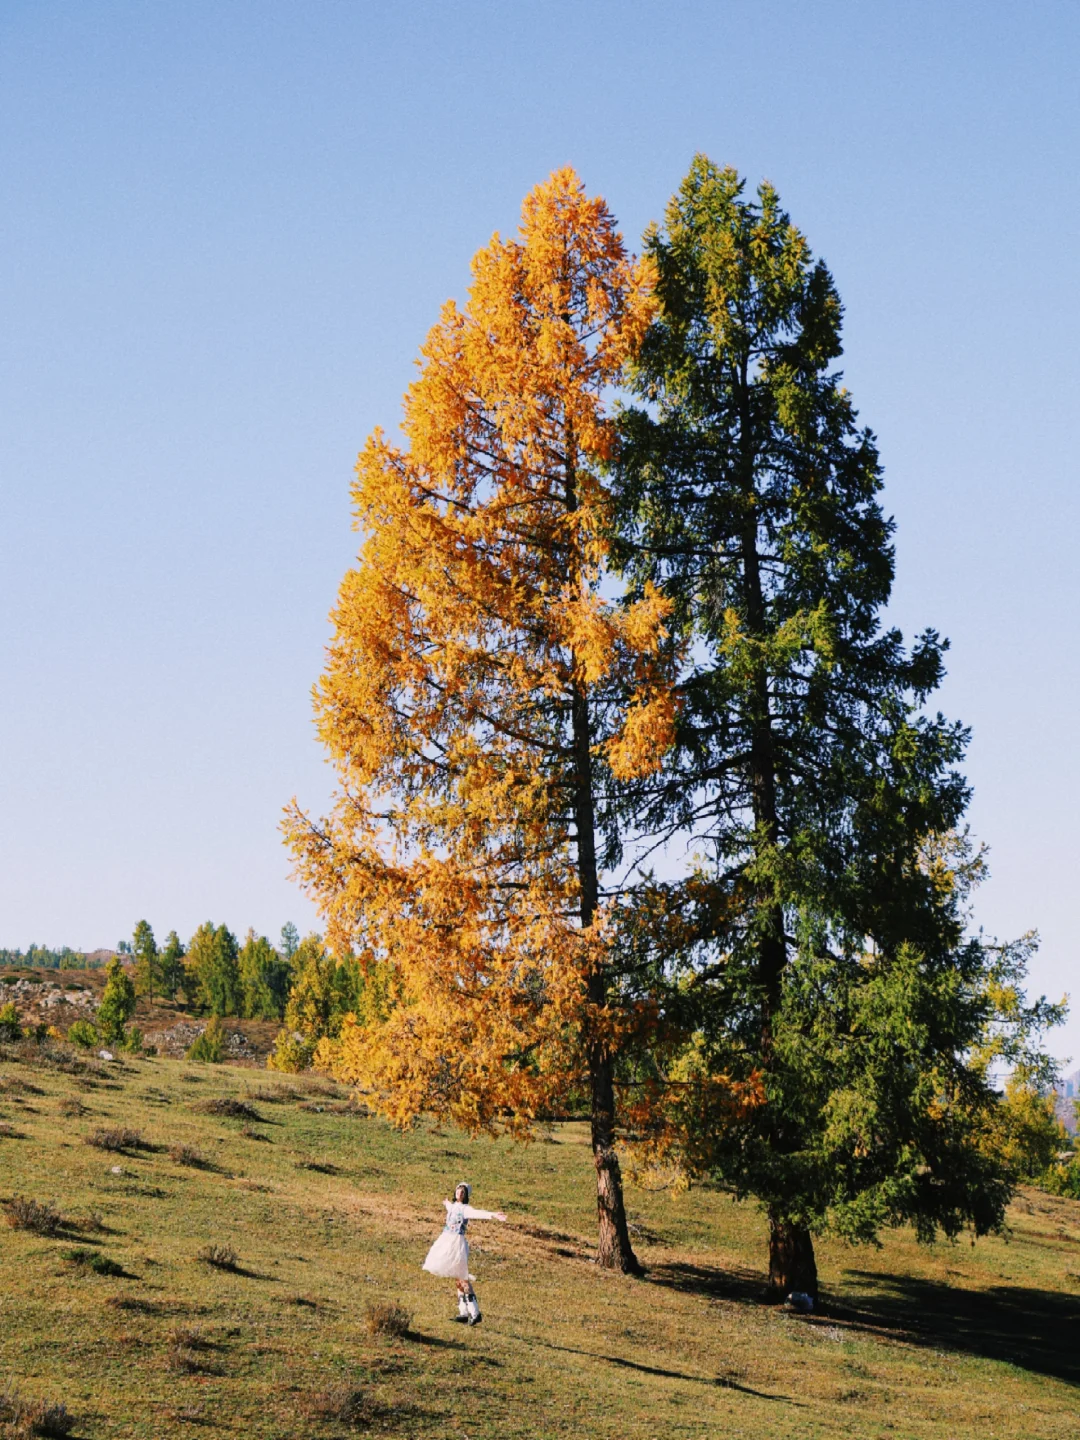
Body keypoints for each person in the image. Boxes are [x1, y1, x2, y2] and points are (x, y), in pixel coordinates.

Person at [422, 1182, 507, 1325]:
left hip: (457, 1244)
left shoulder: (465, 1209)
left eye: (462, 1192)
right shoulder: (454, 1206)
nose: (459, 1194)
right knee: (458, 1279)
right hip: (448, 1241)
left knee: (462, 1278)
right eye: (458, 1191)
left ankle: (475, 1313)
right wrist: (446, 1203)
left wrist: (493, 1215)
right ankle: (463, 1312)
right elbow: (450, 1207)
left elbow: (478, 1213)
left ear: (466, 1195)